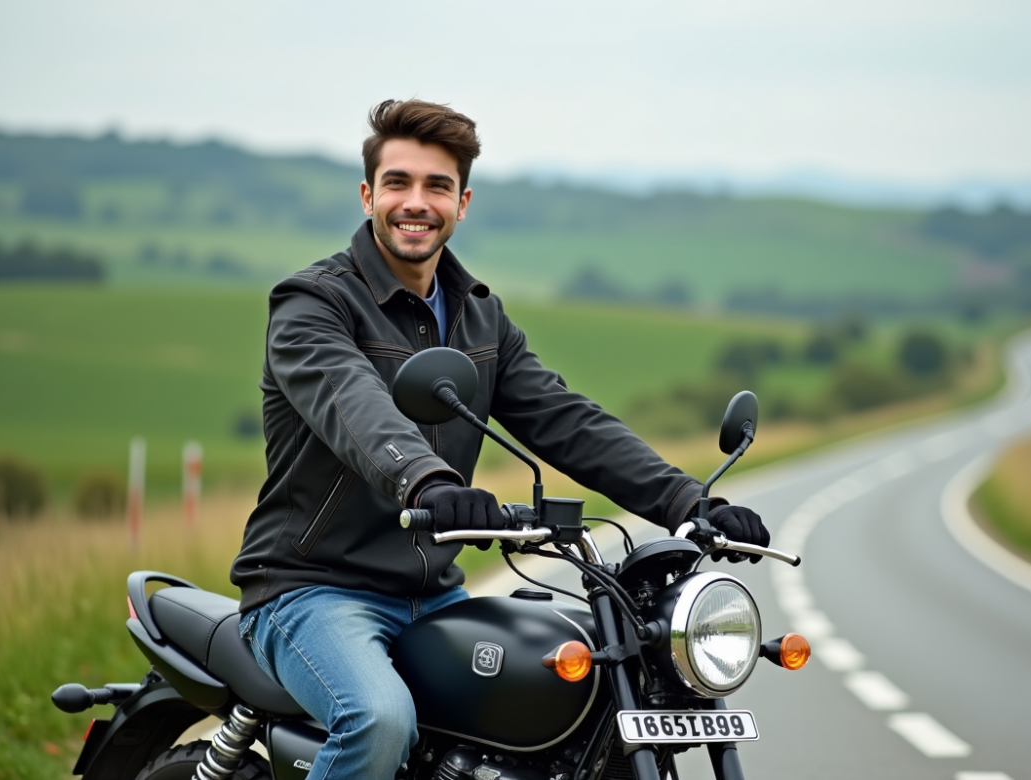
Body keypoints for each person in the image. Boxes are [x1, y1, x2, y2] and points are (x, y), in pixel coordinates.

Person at [230, 98, 769, 780]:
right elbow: (354, 406)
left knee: (569, 695)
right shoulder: (313, 304)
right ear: (368, 194)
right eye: (398, 183)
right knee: (380, 720)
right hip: (310, 589)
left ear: (463, 202)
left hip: (433, 591)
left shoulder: (479, 317)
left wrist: (690, 503)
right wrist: (429, 481)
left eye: (437, 186)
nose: (415, 202)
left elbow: (566, 420)